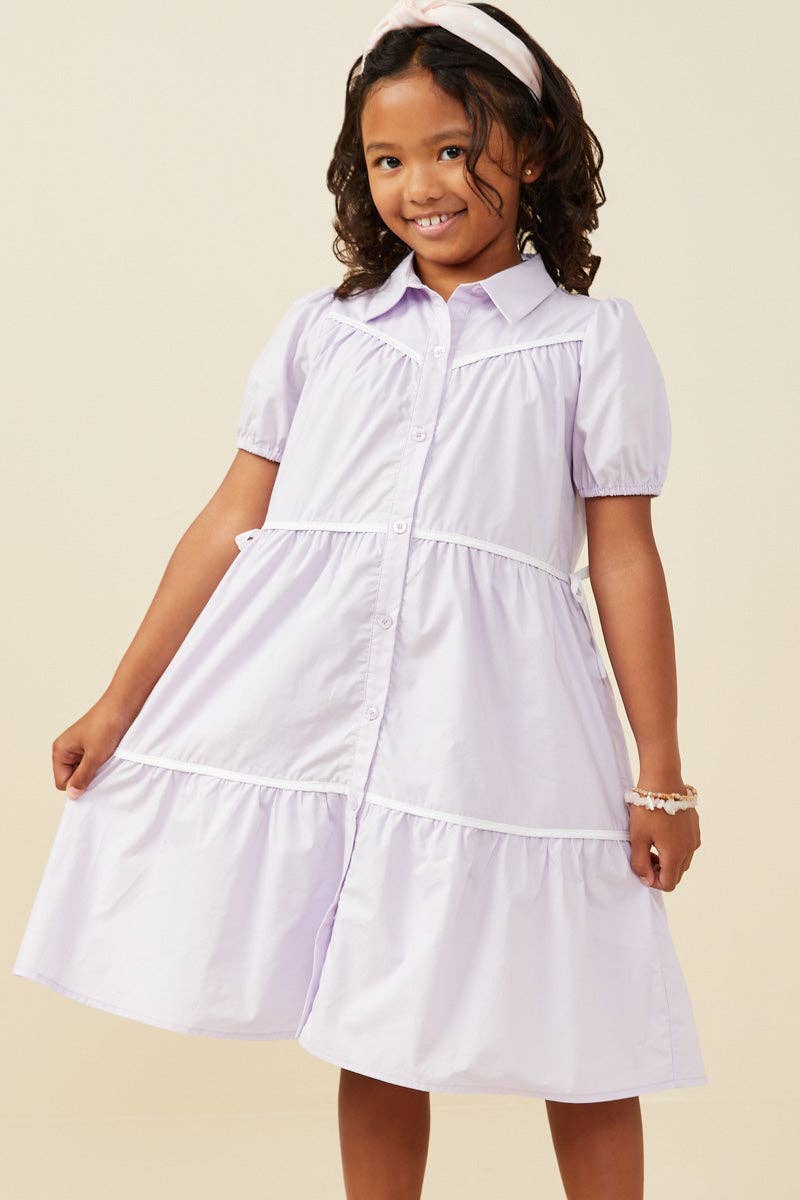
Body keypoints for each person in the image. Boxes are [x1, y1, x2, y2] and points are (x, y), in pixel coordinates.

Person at [12, 2, 708, 1196]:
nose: (417, 186)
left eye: (451, 149)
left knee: (580, 1004)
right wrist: (118, 702)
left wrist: (659, 773)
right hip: (331, 719)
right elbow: (229, 521)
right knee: (372, 1013)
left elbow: (623, 561)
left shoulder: (587, 345)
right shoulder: (322, 334)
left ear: (531, 149)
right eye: (386, 159)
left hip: (504, 728)